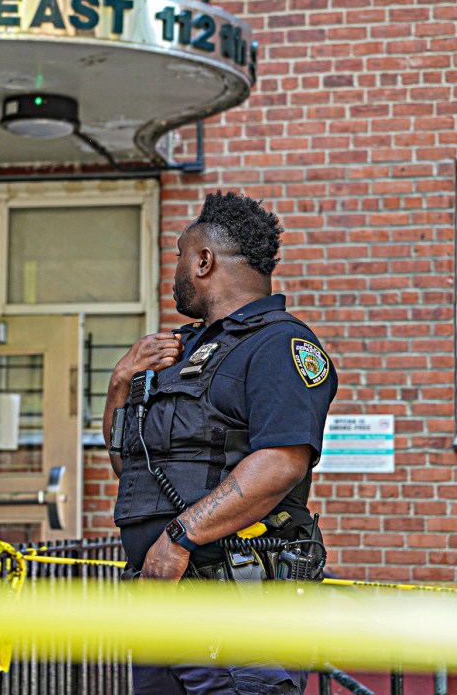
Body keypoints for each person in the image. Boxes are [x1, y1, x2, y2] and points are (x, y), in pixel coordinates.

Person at [103, 191, 337, 695]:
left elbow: (280, 463)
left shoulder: (279, 345)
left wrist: (178, 538)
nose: (177, 272)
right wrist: (122, 380)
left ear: (204, 261)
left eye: (181, 256)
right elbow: (130, 464)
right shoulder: (183, 348)